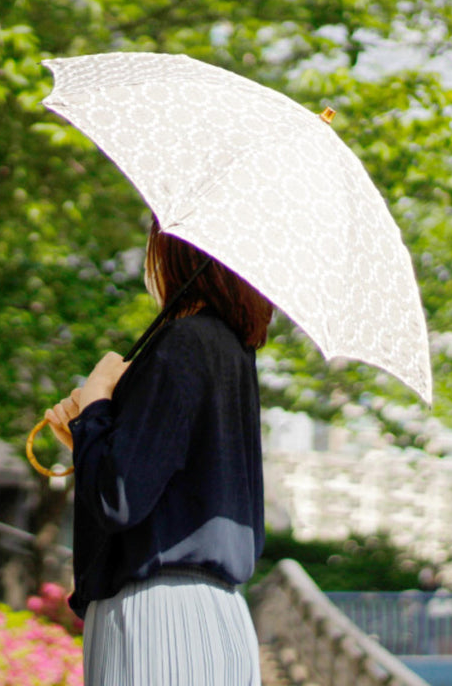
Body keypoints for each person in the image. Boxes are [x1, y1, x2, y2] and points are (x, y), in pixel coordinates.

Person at [45, 217, 273, 685]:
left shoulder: (183, 344)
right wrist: (88, 435)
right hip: (219, 617)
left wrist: (97, 399)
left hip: (159, 618)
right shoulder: (231, 353)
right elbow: (162, 478)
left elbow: (119, 496)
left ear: (177, 250)